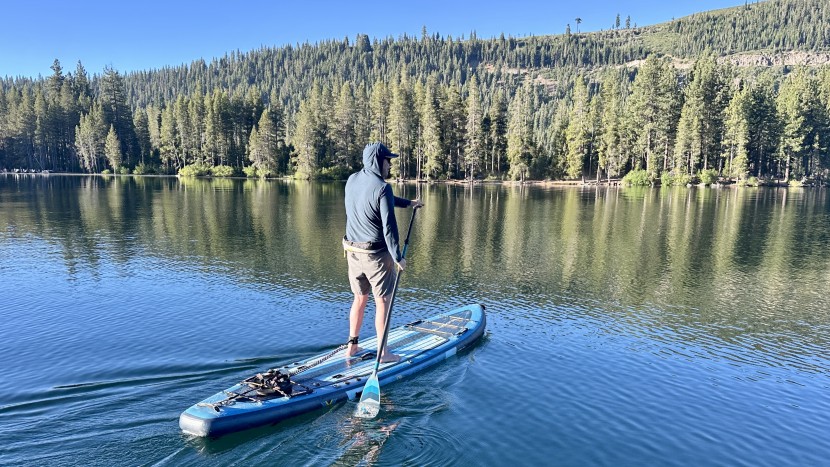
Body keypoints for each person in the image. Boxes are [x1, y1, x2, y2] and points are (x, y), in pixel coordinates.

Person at [343, 142, 423, 362]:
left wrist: (409, 203)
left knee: (359, 298)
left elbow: (375, 201)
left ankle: (352, 347)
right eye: (388, 160)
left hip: (352, 251)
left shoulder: (352, 180)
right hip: (375, 256)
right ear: (379, 160)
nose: (390, 165)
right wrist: (398, 257)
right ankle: (383, 353)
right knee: (383, 301)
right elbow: (389, 227)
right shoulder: (382, 186)